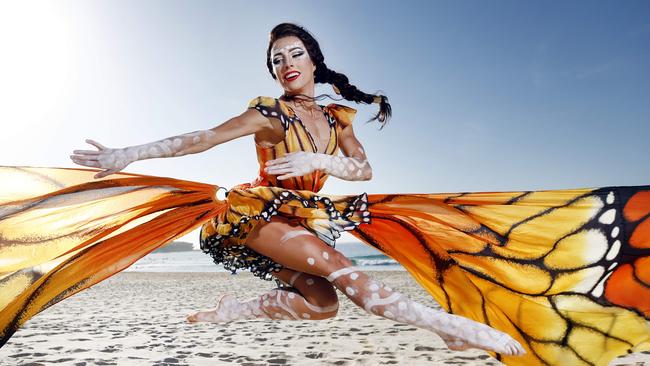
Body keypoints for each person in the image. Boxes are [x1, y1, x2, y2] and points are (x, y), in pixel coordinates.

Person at [2, 23, 648, 366]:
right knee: (342, 273)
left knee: (322, 307)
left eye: (293, 54)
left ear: (313, 60)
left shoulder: (339, 120)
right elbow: (200, 138)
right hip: (251, 212)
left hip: (314, 210)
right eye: (275, 58)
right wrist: (128, 154)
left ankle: (240, 311)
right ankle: (450, 329)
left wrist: (322, 161)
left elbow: (363, 172)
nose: (284, 64)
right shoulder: (266, 112)